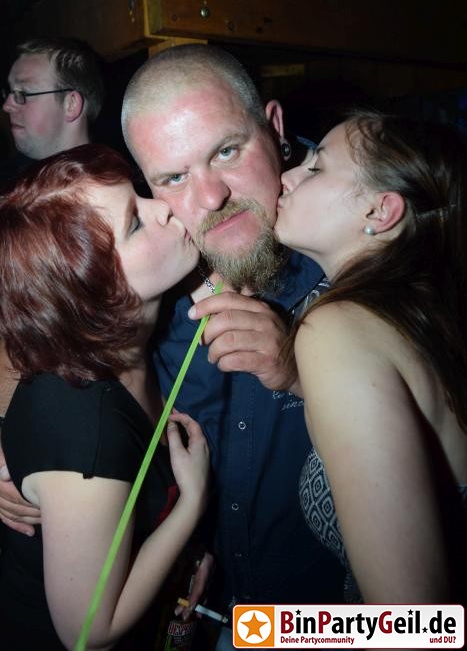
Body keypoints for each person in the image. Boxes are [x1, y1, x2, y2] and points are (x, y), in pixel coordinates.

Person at [120, 42, 345, 634]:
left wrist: (301, 376)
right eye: (173, 177)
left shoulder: (361, 267)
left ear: (275, 128)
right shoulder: (154, 293)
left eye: (226, 151)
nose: (210, 197)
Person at [0, 144, 210, 650]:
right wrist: (192, 507)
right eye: (135, 223)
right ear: (93, 293)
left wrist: (182, 558)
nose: (163, 207)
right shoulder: (87, 429)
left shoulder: (135, 348)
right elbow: (89, 633)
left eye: (140, 194)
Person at [274, 110, 467, 602]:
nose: (287, 177)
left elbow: (413, 624)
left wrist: (262, 630)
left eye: (316, 168)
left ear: (381, 212)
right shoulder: (425, 313)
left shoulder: (334, 328)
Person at [0, 36, 104, 188]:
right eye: (10, 91)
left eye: (24, 93)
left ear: (71, 104)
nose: (7, 106)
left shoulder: (112, 190)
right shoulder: (8, 183)